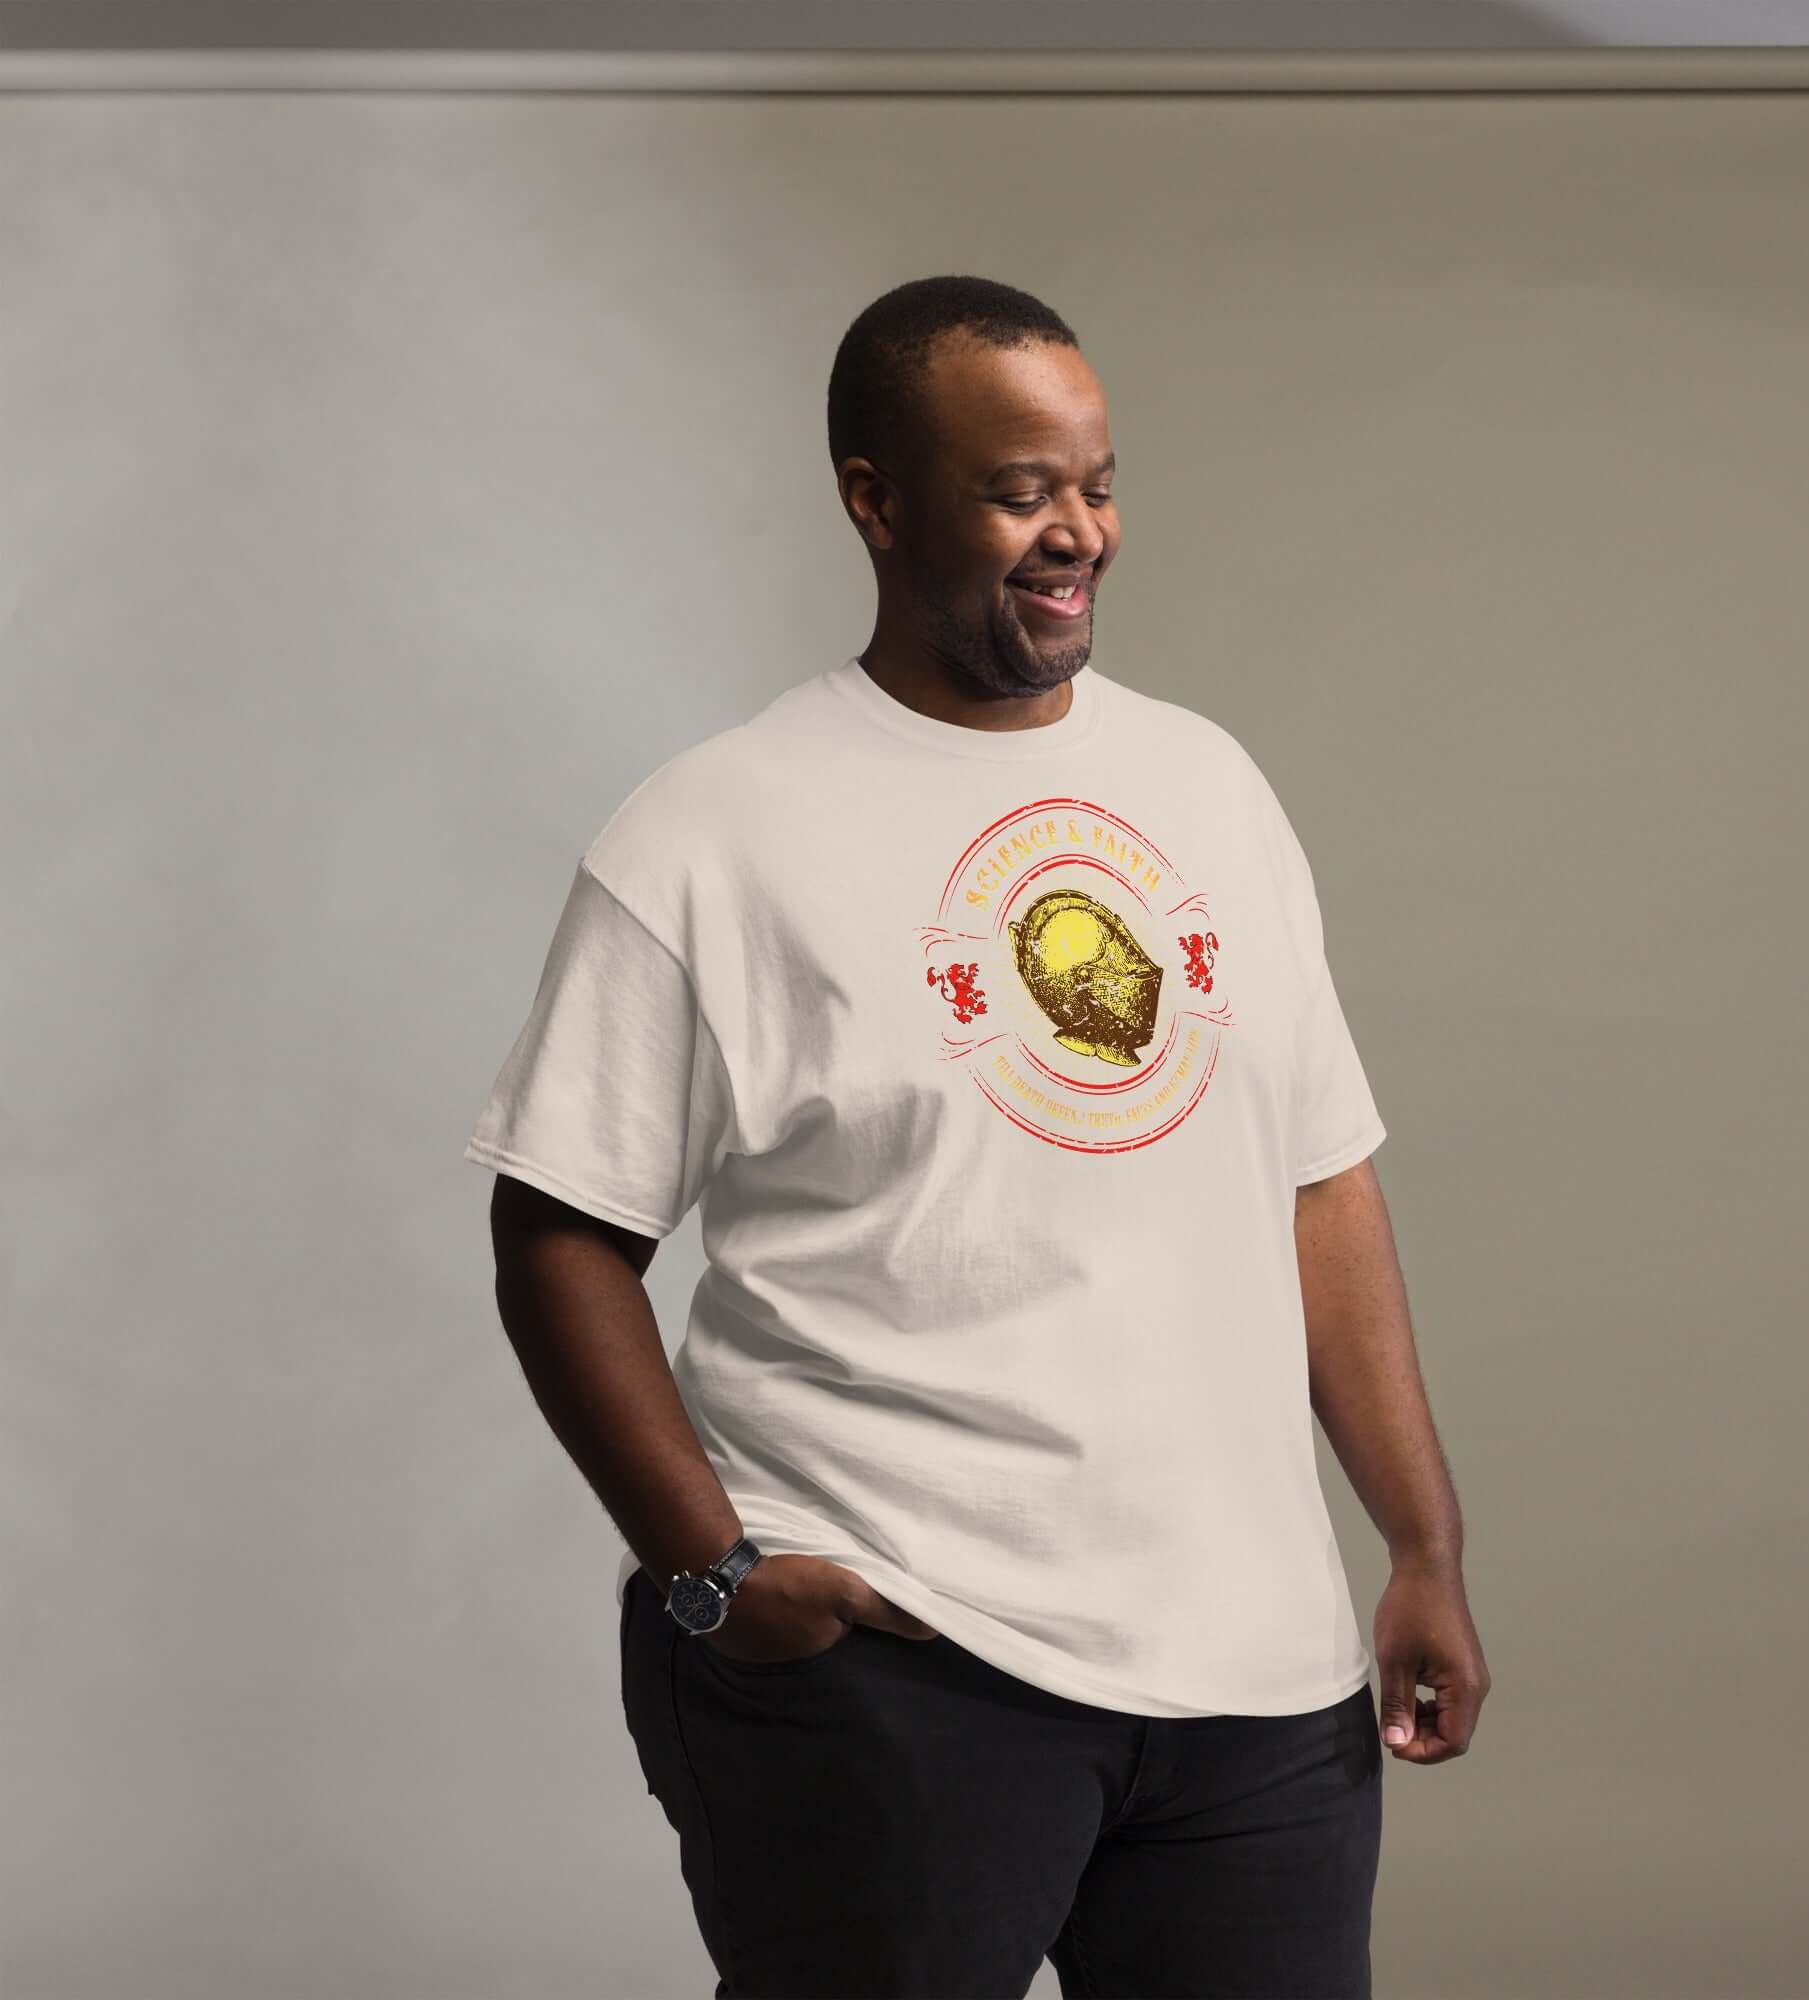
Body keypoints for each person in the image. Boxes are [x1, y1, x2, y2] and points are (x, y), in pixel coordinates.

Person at [464, 273, 1490, 2000]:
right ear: (875, 500)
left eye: (1096, 484)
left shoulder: (1212, 787)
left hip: (1255, 1686)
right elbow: (557, 1230)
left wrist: (1423, 1547)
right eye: (1020, 491)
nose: (1077, 530)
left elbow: (1321, 1185)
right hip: (901, 1662)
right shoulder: (716, 832)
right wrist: (714, 1576)